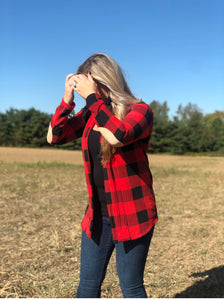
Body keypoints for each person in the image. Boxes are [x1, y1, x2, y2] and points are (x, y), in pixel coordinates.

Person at [47, 53, 158, 298]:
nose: (86, 90)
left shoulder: (140, 110)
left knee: (130, 287)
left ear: (104, 81)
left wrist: (90, 98)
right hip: (98, 215)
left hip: (132, 214)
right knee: (87, 287)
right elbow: (55, 136)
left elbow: (119, 135)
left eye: (90, 84)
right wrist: (67, 101)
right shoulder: (92, 114)